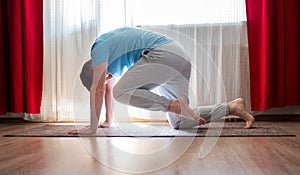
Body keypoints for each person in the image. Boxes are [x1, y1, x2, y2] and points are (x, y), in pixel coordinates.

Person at [69, 27, 254, 134]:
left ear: (92, 67)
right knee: (179, 123)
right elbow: (107, 89)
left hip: (163, 54)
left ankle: (174, 105)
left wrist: (92, 128)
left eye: (102, 77)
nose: (108, 78)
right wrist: (107, 121)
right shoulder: (110, 59)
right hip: (178, 59)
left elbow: (99, 89)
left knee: (122, 92)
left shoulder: (98, 49)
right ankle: (232, 107)